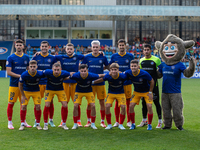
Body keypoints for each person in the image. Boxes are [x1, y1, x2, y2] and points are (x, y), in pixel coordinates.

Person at [55, 43, 84, 127]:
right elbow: (49, 56)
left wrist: (101, 52)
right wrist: (37, 53)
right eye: (68, 49)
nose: (69, 50)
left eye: (71, 49)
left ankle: (78, 121)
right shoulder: (61, 57)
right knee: (64, 103)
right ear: (65, 50)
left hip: (75, 83)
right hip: (65, 84)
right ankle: (62, 121)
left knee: (77, 103)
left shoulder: (78, 57)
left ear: (73, 50)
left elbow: (88, 56)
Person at [82, 40, 109, 128]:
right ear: (91, 47)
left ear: (99, 48)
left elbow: (108, 67)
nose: (95, 49)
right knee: (90, 103)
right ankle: (89, 121)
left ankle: (102, 121)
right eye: (94, 47)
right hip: (90, 83)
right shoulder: (87, 57)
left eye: (97, 47)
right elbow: (82, 67)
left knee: (102, 102)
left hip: (100, 82)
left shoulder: (103, 57)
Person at [70, 64, 105, 130]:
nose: (83, 73)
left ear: (87, 70)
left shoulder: (91, 75)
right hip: (78, 92)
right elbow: (67, 77)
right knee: (75, 106)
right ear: (79, 71)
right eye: (82, 71)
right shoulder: (76, 75)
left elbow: (100, 75)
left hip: (89, 92)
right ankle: (75, 124)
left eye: (85, 71)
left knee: (93, 105)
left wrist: (110, 74)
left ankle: (93, 124)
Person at [93, 63, 127, 130]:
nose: (114, 71)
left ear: (118, 70)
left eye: (115, 69)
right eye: (112, 70)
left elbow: (130, 78)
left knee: (123, 107)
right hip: (111, 93)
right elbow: (101, 79)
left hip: (121, 93)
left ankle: (121, 124)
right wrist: (92, 82)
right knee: (107, 106)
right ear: (110, 70)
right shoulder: (108, 76)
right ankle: (109, 125)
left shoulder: (122, 76)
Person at [6, 39, 31, 129]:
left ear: (23, 46)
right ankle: (10, 122)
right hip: (13, 84)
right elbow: (8, 72)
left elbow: (29, 69)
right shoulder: (11, 57)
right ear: (15, 46)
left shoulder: (26, 57)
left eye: (20, 45)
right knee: (11, 103)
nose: (19, 46)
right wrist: (20, 76)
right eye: (17, 45)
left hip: (23, 85)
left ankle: (23, 121)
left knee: (23, 104)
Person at [109, 39, 134, 127]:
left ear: (125, 46)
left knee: (127, 103)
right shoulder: (114, 56)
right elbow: (110, 68)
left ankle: (128, 121)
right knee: (117, 103)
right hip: (117, 83)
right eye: (120, 45)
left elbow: (133, 67)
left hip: (127, 82)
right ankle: (117, 121)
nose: (121, 47)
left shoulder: (130, 56)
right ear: (118, 46)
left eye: (123, 45)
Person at [32, 41, 57, 127]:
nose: (44, 48)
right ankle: (36, 120)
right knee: (37, 103)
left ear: (48, 47)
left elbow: (55, 69)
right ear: (40, 47)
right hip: (37, 83)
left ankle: (51, 120)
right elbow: (31, 68)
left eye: (45, 46)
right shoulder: (36, 57)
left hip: (48, 83)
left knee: (50, 102)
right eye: (42, 46)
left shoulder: (52, 58)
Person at [125, 60, 154, 130]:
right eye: (132, 66)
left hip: (146, 92)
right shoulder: (128, 72)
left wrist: (150, 92)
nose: (133, 67)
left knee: (149, 106)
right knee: (131, 106)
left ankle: (149, 124)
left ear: (138, 67)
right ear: (130, 67)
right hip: (136, 92)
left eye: (135, 66)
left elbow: (152, 81)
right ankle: (133, 124)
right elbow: (122, 75)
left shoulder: (144, 73)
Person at [138, 44, 162, 128]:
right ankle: (144, 120)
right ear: (143, 51)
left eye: (148, 49)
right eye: (145, 50)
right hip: (144, 87)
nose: (146, 51)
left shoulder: (156, 59)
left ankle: (160, 121)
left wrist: (159, 75)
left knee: (156, 103)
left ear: (150, 50)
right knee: (144, 103)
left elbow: (161, 69)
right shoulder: (141, 60)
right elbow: (141, 73)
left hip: (154, 85)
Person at [43, 62, 70, 130]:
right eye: (55, 70)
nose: (56, 71)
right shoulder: (48, 72)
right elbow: (40, 73)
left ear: (60, 69)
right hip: (49, 89)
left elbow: (71, 75)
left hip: (60, 89)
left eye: (58, 70)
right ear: (52, 69)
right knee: (47, 105)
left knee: (65, 105)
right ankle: (45, 124)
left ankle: (63, 124)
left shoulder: (64, 73)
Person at [18, 60, 44, 130]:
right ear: (28, 67)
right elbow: (20, 85)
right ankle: (22, 124)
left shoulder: (40, 74)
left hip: (36, 91)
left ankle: (38, 124)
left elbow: (48, 74)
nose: (32, 68)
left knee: (38, 106)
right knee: (23, 106)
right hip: (26, 92)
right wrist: (23, 95)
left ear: (37, 67)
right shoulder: (24, 74)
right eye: (31, 66)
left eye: (34, 66)